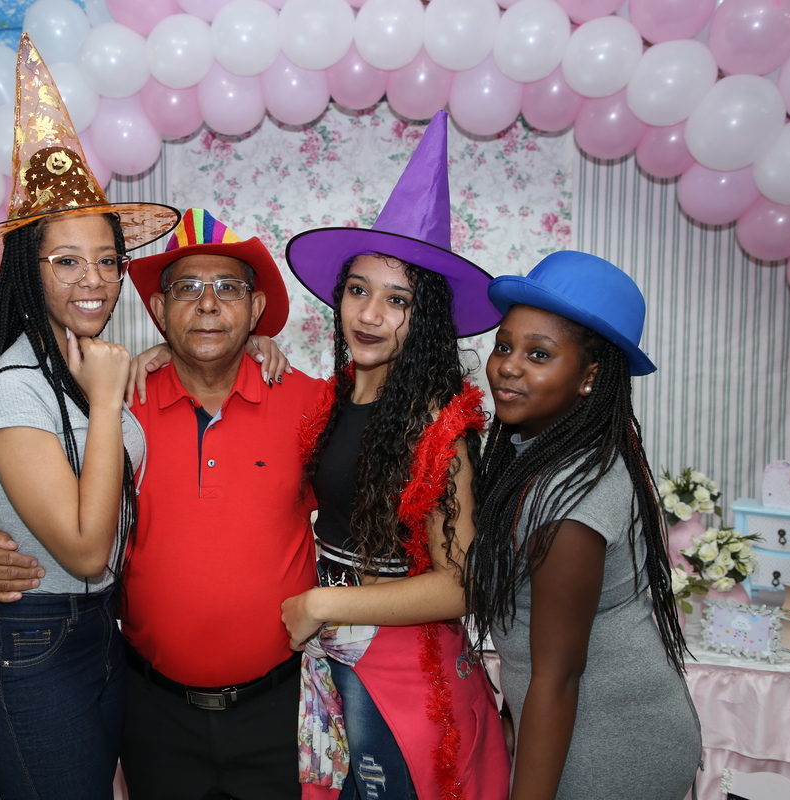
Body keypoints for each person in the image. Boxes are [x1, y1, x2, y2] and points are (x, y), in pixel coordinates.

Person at [0, 206, 323, 800]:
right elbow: (38, 490)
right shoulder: (117, 399)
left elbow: (362, 523)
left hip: (278, 707)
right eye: (187, 289)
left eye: (229, 289)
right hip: (150, 709)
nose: (208, 305)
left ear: (256, 309)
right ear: (157, 309)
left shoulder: (311, 404)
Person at [0, 34, 180, 798]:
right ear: (27, 268)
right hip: (27, 646)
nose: (95, 280)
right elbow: (83, 548)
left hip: (96, 635)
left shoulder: (86, 366)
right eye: (67, 260)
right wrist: (107, 401)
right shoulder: (16, 383)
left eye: (108, 259)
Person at [280, 111, 509, 800]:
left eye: (396, 300)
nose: (369, 315)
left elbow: (460, 584)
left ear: (426, 316)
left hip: (405, 677)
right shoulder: (330, 399)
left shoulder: (437, 426)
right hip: (329, 659)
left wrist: (324, 600)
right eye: (358, 290)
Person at [465, 251, 702, 799]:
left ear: (590, 376)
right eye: (504, 346)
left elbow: (558, 675)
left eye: (538, 354)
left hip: (610, 743)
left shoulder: (573, 499)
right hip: (565, 724)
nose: (508, 367)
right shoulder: (537, 454)